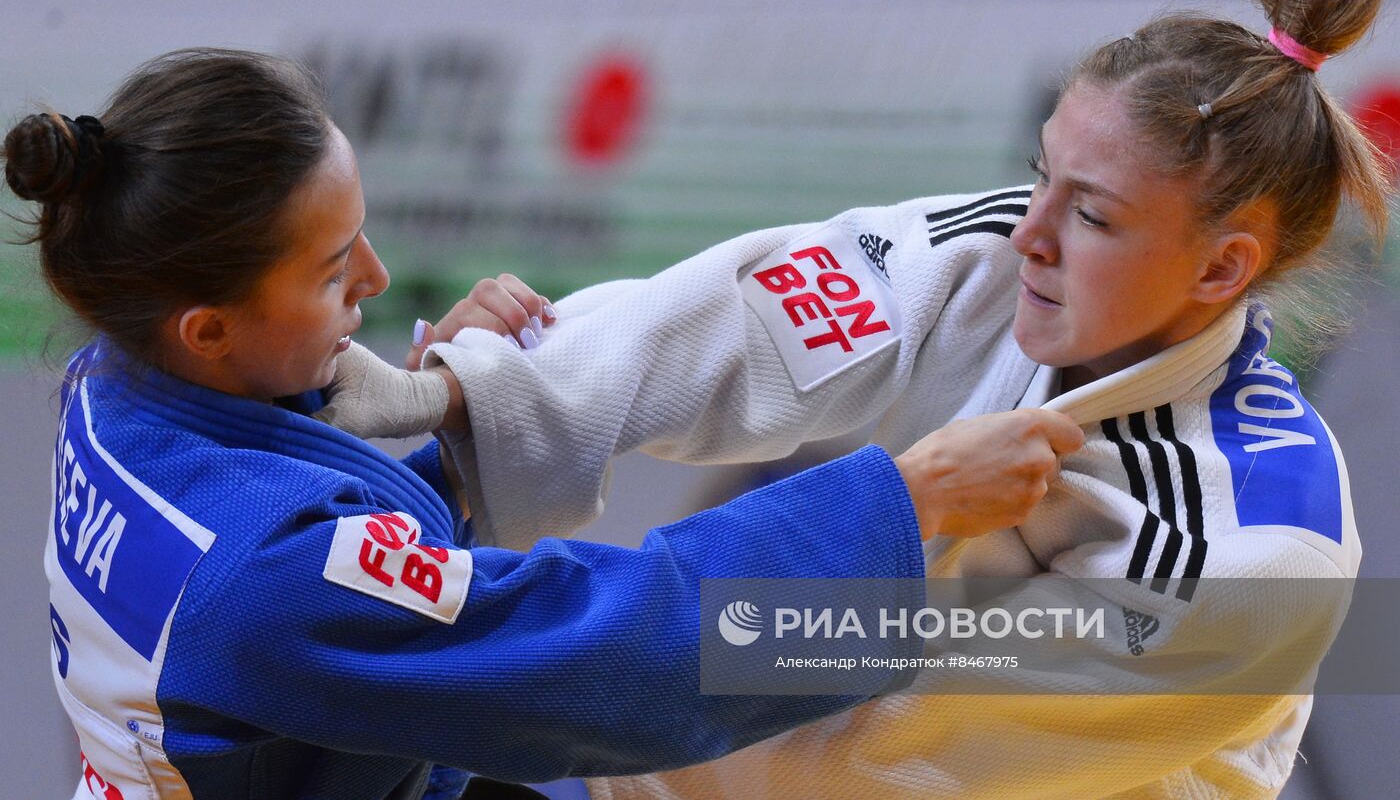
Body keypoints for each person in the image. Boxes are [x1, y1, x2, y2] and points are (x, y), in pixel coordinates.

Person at [322, 0, 1390, 798]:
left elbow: (874, 740)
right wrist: (475, 396)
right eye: (1039, 174)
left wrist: (533, 656)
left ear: (1219, 269)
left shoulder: (1253, 557)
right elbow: (739, 325)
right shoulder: (1002, 256)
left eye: (1093, 214)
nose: (1028, 231)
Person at [2, 49, 1085, 800]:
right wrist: (897, 504)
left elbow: (338, 573)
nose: (375, 281)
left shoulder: (117, 385)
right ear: (208, 328)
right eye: (334, 269)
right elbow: (603, 655)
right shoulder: (262, 576)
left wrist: (460, 409)